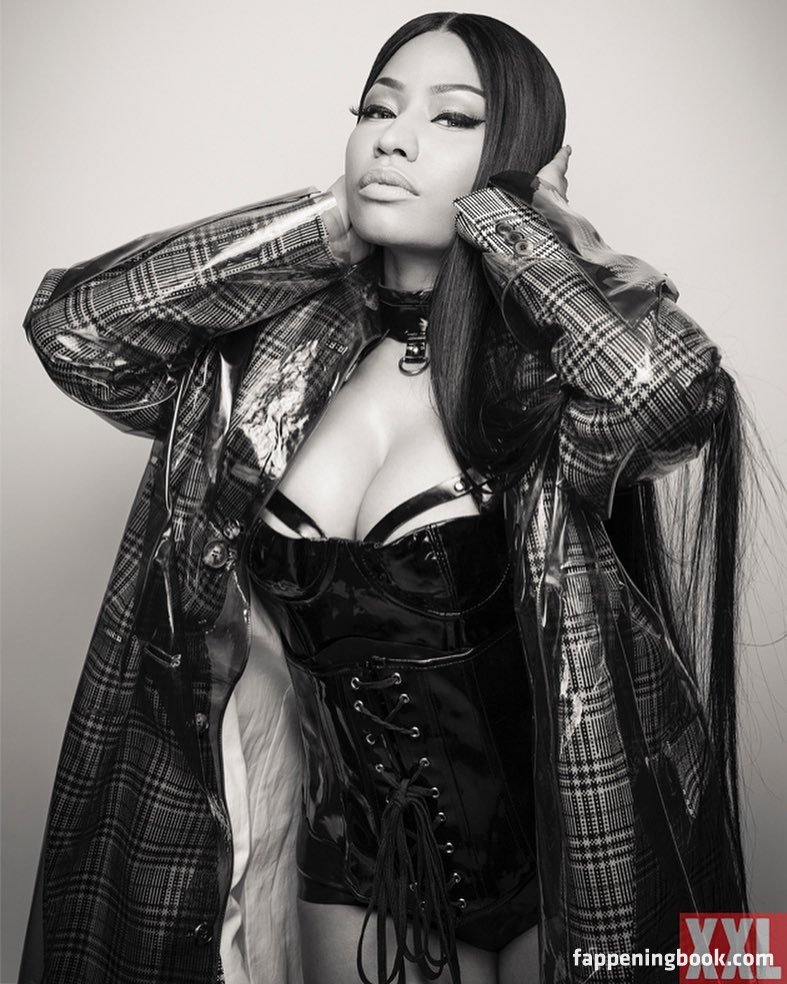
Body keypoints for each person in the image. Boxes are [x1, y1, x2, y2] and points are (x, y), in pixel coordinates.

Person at [17, 11, 748, 984]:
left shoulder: (542, 382)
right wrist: (329, 222)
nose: (395, 138)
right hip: (358, 880)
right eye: (376, 111)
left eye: (452, 118)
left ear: (519, 163)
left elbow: (675, 393)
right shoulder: (268, 360)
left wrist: (514, 221)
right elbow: (73, 331)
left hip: (577, 858)